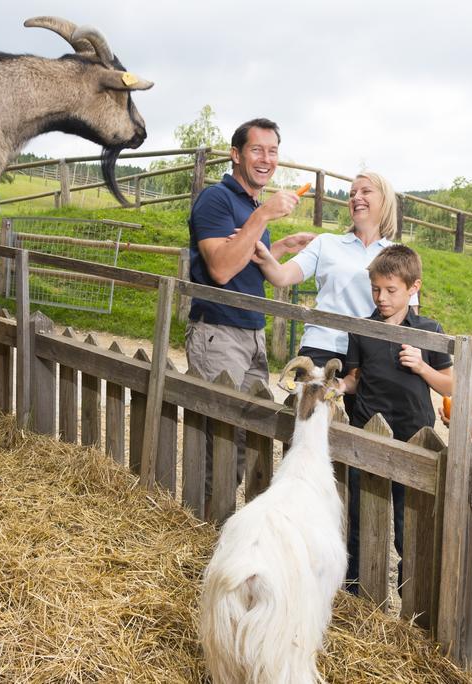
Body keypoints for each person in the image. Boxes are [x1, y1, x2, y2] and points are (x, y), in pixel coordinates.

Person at [186, 117, 314, 513]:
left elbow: (245, 264)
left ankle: (223, 523)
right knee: (220, 436)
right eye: (257, 150)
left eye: (273, 151)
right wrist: (263, 219)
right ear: (236, 154)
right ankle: (201, 527)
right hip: (219, 332)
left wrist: (282, 247)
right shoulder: (216, 200)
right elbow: (221, 269)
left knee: (244, 438)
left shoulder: (251, 207)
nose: (266, 159)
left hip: (252, 333)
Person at [332, 244, 453, 594]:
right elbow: (355, 378)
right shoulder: (362, 329)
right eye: (375, 289)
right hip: (367, 433)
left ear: (413, 287)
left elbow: (450, 385)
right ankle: (355, 593)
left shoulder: (429, 330)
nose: (381, 298)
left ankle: (412, 597)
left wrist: (422, 365)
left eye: (390, 290)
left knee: (408, 523)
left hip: (414, 437)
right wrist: (337, 386)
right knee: (359, 515)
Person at [251, 172, 418, 379]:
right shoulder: (326, 242)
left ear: (385, 201)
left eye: (366, 191)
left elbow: (411, 317)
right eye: (352, 193)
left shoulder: (399, 254)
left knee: (365, 413)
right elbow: (282, 276)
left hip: (372, 354)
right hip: (321, 347)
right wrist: (264, 255)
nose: (356, 197)